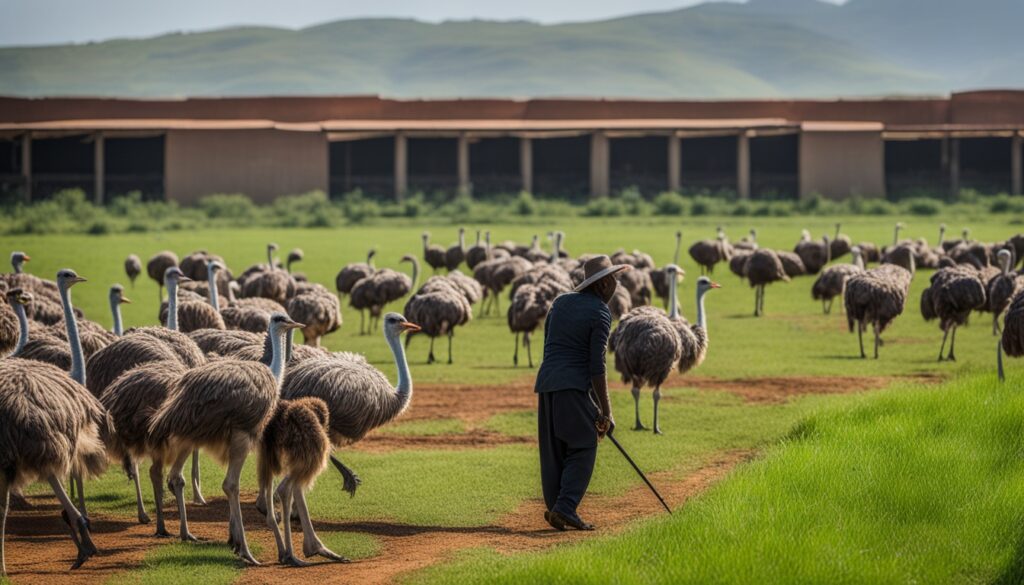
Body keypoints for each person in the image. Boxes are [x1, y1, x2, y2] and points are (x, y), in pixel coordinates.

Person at [534, 255, 627, 531]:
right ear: (602, 284)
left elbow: (549, 345)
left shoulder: (560, 303)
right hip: (572, 385)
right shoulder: (600, 312)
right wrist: (606, 412)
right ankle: (565, 508)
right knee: (584, 443)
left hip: (547, 383)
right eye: (613, 280)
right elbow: (597, 366)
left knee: (554, 449)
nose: (616, 285)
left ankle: (557, 507)